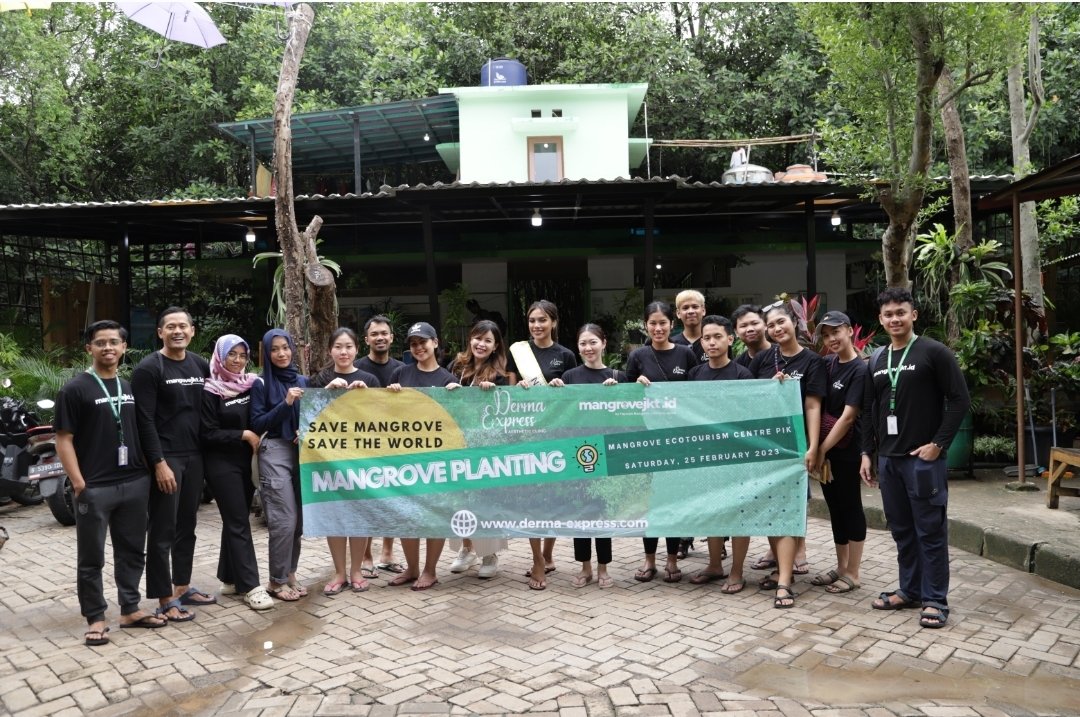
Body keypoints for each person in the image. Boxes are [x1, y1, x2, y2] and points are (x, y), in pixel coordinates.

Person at [860, 288, 969, 629]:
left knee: (930, 532)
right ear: (880, 319)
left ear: (913, 315)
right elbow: (869, 409)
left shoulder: (934, 352)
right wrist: (867, 452)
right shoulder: (876, 359)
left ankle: (935, 599)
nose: (895, 319)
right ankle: (910, 590)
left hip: (922, 460)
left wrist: (938, 444)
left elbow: (959, 399)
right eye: (888, 314)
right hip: (888, 462)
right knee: (903, 531)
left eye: (900, 313)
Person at [55, 320, 166, 646]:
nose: (108, 348)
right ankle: (96, 617)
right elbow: (63, 439)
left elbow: (140, 431)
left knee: (132, 551)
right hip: (95, 487)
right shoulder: (75, 389)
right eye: (100, 342)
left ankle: (130, 609)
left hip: (133, 482)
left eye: (114, 342)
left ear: (123, 348)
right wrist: (78, 483)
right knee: (91, 557)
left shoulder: (128, 387)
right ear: (89, 348)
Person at [132, 307, 212, 622]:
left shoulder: (200, 364)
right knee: (163, 529)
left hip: (195, 456)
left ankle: (182, 586)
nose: (177, 331)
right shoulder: (149, 369)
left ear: (192, 331)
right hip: (167, 457)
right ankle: (164, 598)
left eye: (183, 326)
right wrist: (158, 463)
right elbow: (144, 420)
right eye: (170, 327)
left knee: (187, 526)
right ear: (160, 332)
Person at [747, 300, 826, 608]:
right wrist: (770, 388)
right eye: (771, 325)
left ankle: (784, 581)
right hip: (765, 448)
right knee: (770, 511)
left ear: (794, 322)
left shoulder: (812, 361)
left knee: (789, 512)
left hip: (795, 447)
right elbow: (747, 399)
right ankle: (783, 571)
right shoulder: (763, 359)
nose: (777, 328)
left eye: (781, 322)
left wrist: (812, 447)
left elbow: (813, 405)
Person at [625, 300, 698, 583]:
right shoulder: (638, 356)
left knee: (673, 500)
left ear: (672, 324)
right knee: (651, 502)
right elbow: (626, 402)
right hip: (647, 439)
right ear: (646, 325)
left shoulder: (686, 354)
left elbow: (694, 397)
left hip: (678, 440)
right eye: (652, 323)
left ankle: (671, 560)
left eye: (663, 323)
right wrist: (635, 388)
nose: (658, 328)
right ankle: (649, 560)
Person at [201, 334, 274, 611]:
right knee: (238, 523)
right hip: (221, 464)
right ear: (220, 356)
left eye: (243, 355)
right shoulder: (209, 390)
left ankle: (230, 578)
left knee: (237, 518)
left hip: (248, 462)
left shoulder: (252, 384)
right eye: (232, 354)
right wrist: (242, 434)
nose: (238, 360)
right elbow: (206, 433)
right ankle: (251, 586)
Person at [507, 299, 577, 589]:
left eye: (543, 320)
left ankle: (548, 553)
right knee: (532, 498)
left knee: (553, 497)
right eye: (533, 320)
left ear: (554, 323)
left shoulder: (566, 355)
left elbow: (574, 400)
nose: (537, 325)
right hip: (528, 434)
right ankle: (536, 559)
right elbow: (509, 395)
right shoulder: (519, 352)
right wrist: (519, 388)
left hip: (556, 435)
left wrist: (561, 389)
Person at [387, 322, 461, 590]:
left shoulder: (447, 380)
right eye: (414, 344)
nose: (419, 348)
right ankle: (412, 568)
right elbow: (386, 417)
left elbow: (457, 422)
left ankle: (430, 570)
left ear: (435, 343)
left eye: (423, 342)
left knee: (433, 515)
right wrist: (390, 396)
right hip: (405, 457)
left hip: (436, 461)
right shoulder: (399, 374)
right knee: (406, 515)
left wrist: (457, 397)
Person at [734, 303, 807, 575]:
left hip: (793, 441)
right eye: (744, 325)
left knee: (794, 497)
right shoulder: (748, 362)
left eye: (755, 323)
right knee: (770, 499)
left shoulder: (792, 355)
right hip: (763, 443)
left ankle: (798, 551)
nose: (750, 329)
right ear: (736, 333)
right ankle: (775, 553)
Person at [312, 328, 381, 596]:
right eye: (338, 347)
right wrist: (326, 392)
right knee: (335, 515)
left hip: (362, 458)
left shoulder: (369, 378)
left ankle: (356, 571)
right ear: (330, 350)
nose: (343, 352)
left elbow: (382, 419)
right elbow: (310, 417)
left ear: (356, 350)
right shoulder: (320, 379)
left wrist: (367, 396)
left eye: (349, 347)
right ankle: (339, 572)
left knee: (359, 514)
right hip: (329, 459)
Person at [686, 315, 753, 591]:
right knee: (711, 511)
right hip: (705, 455)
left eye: (717, 337)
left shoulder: (743, 375)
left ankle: (736, 571)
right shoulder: (695, 374)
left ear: (730, 339)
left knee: (737, 514)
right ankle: (715, 565)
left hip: (736, 456)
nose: (711, 342)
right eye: (706, 338)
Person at [809, 312, 872, 596]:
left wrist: (820, 450)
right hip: (827, 450)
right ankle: (841, 566)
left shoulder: (860, 369)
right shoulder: (827, 363)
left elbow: (848, 417)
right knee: (834, 507)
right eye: (825, 335)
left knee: (850, 506)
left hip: (846, 451)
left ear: (849, 330)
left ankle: (854, 573)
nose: (831, 339)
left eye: (836, 332)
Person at [557, 323, 624, 589]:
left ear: (604, 343)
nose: (588, 348)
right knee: (581, 513)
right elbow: (561, 411)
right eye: (583, 343)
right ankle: (585, 568)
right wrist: (554, 390)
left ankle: (603, 568)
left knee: (602, 511)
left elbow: (629, 412)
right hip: (577, 451)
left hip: (606, 452)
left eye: (593, 342)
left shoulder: (617, 376)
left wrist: (620, 390)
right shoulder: (570, 376)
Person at [446, 320, 510, 579]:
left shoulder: (501, 374)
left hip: (487, 446)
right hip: (458, 443)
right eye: (477, 338)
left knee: (486, 500)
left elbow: (506, 410)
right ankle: (467, 548)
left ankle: (490, 554)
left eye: (487, 341)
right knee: (460, 498)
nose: (480, 344)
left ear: (495, 347)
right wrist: (449, 390)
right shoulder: (456, 366)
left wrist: (491, 394)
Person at [250, 329, 309, 601]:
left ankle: (290, 573)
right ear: (267, 353)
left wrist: (304, 430)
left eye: (285, 347)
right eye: (274, 349)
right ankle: (275, 581)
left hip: (301, 452)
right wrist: (286, 404)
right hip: (274, 451)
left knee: (297, 521)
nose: (281, 353)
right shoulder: (261, 384)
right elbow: (258, 423)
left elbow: (313, 417)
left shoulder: (302, 380)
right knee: (283, 520)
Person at [354, 315, 406, 577]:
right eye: (374, 334)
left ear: (392, 337)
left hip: (395, 443)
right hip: (364, 444)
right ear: (366, 340)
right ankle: (365, 556)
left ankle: (387, 553)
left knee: (392, 498)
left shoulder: (402, 369)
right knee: (366, 500)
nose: (380, 338)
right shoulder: (355, 367)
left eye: (384, 333)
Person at [672, 289, 708, 363]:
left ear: (703, 310)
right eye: (685, 308)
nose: (691, 311)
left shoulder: (714, 341)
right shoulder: (672, 344)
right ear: (678, 313)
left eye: (695, 307)